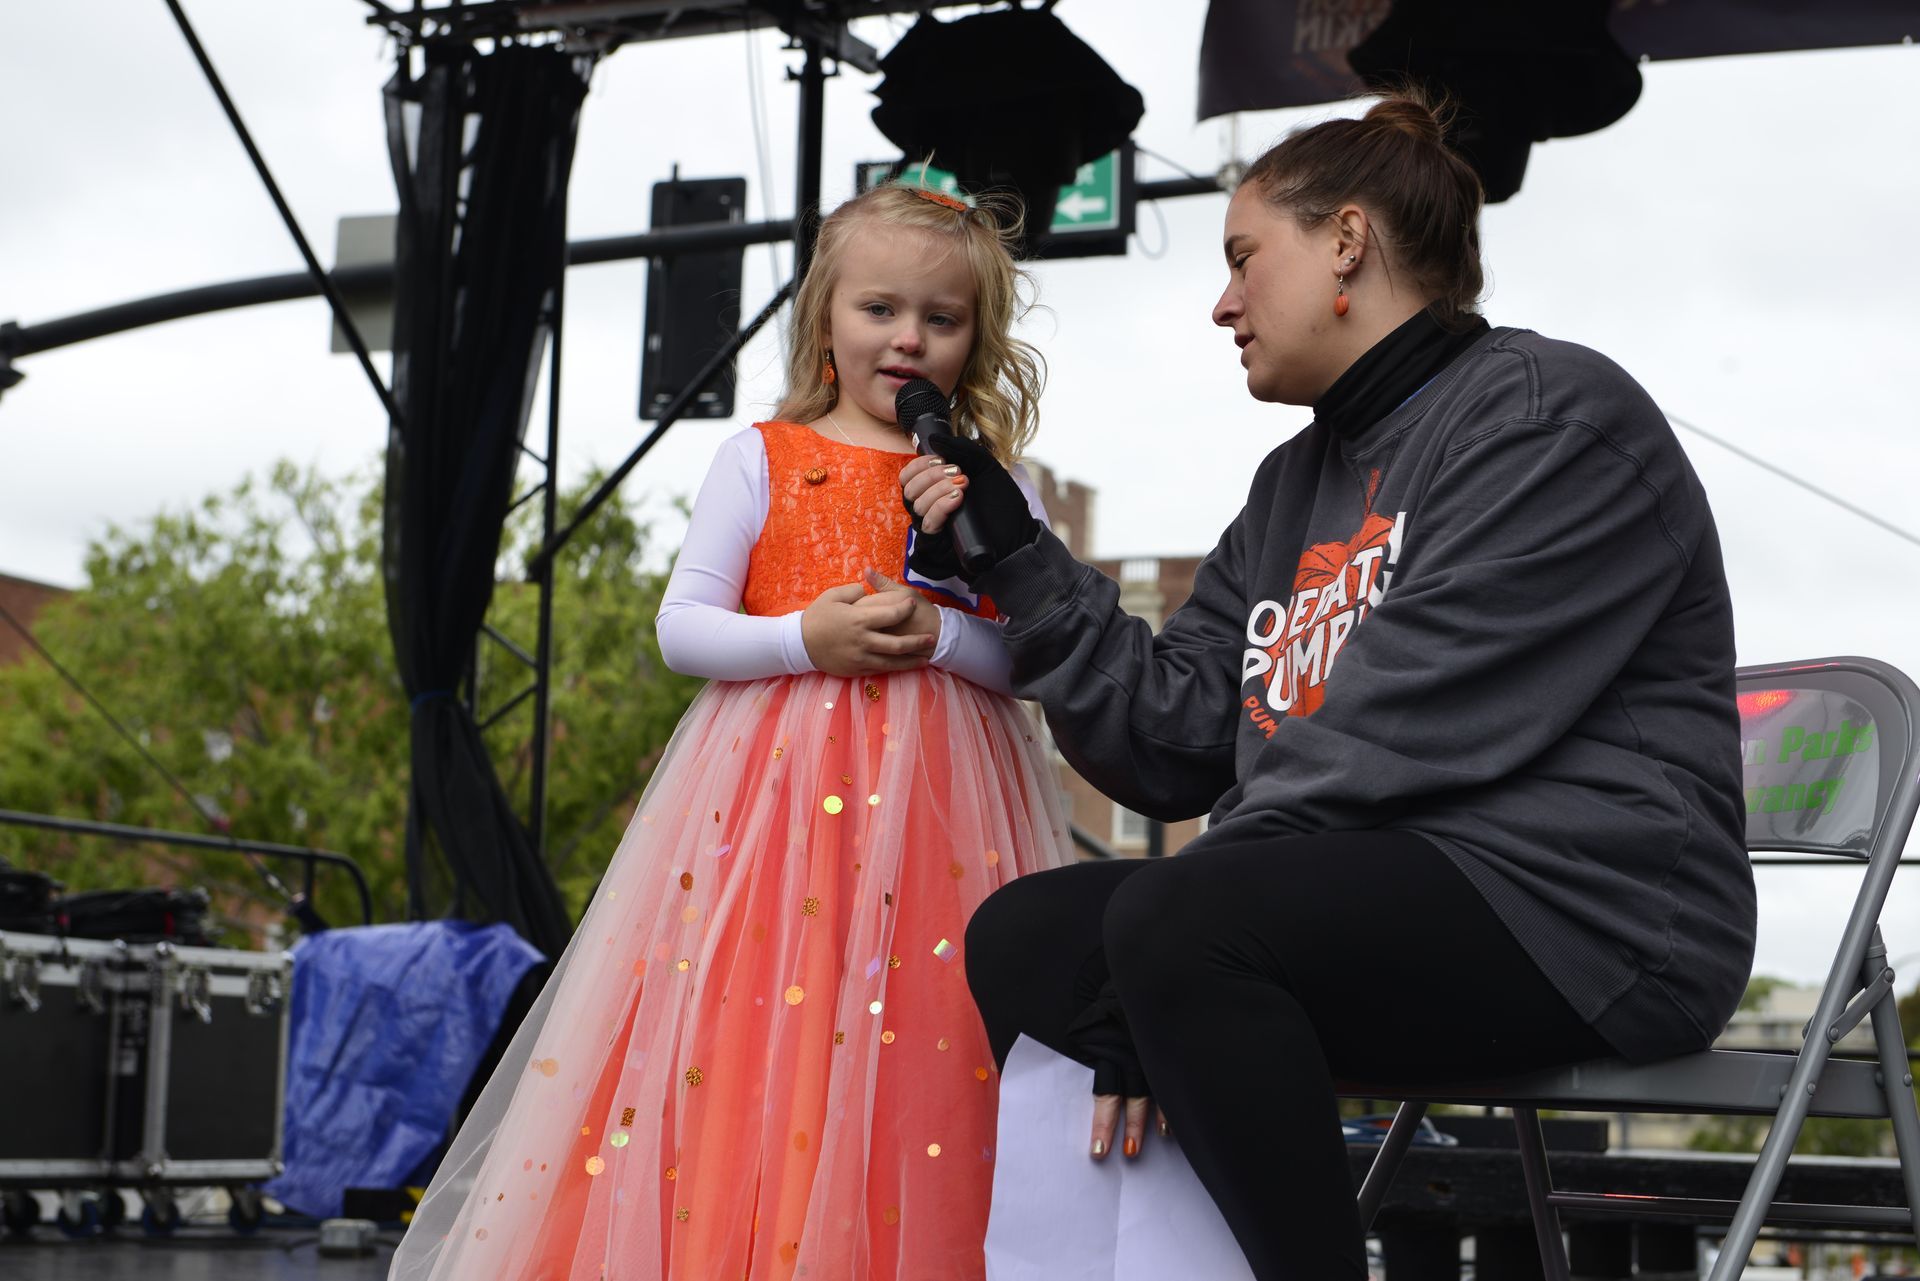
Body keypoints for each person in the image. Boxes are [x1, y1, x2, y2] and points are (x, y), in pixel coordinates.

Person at [901, 90, 1757, 1281]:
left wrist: (1156, 948)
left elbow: (1393, 732)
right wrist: (1020, 564)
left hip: (1589, 914)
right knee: (1024, 936)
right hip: (1366, 892)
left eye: (1245, 257)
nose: (1223, 302)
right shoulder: (1294, 484)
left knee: (1172, 927)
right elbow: (1174, 738)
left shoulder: (1552, 418)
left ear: (1347, 241)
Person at [390, 183, 1072, 1281]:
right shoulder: (763, 455)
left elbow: (1038, 654)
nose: (908, 339)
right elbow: (683, 628)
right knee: (765, 1044)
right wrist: (807, 637)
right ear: (826, 319)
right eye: (880, 310)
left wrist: (942, 639)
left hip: (945, 823)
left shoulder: (998, 483)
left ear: (975, 339)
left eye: (941, 320)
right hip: (774, 815)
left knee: (926, 1050)